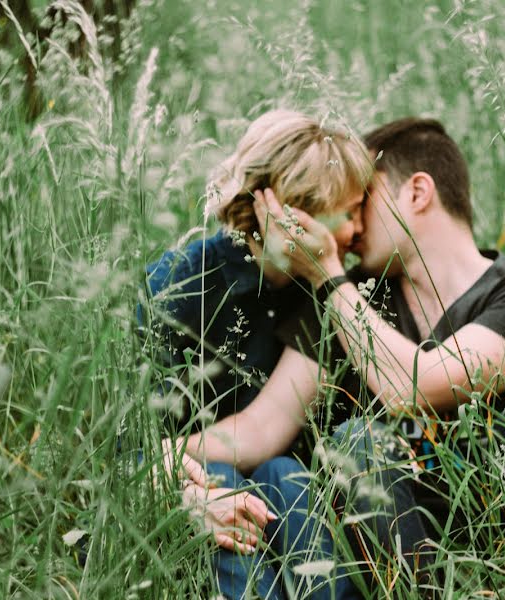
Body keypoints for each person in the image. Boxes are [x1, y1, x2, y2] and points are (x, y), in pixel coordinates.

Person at [186, 117, 505, 595]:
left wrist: (328, 276)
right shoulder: (348, 298)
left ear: (417, 193)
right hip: (398, 557)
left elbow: (413, 388)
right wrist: (164, 458)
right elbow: (260, 428)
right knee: (357, 442)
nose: (348, 227)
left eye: (364, 202)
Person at [139, 109, 370, 600]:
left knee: (286, 475)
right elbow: (121, 441)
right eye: (349, 213)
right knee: (225, 484)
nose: (360, 229)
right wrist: (178, 481)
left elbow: (266, 431)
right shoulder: (180, 283)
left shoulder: (322, 294)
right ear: (296, 213)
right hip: (185, 486)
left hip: (279, 484)